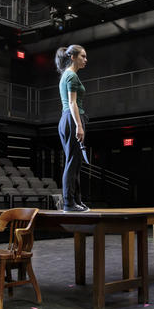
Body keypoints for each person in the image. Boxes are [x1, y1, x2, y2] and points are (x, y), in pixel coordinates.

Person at [55, 44, 89, 212]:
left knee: (75, 163)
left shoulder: (67, 75)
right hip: (72, 119)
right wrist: (79, 126)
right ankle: (69, 202)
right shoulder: (71, 76)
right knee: (72, 162)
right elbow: (72, 102)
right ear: (73, 57)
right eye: (82, 56)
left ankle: (76, 200)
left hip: (67, 119)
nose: (85, 60)